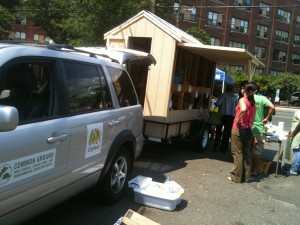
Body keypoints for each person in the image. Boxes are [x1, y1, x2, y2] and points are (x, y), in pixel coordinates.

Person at [228, 82, 256, 183]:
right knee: (247, 153)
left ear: (243, 90)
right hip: (248, 129)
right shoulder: (253, 103)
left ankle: (236, 177)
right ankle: (246, 177)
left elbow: (243, 109)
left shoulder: (242, 100)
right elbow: (252, 119)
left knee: (237, 153)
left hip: (238, 128)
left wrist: (239, 119)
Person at [252, 84, 275, 176]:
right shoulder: (261, 98)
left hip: (247, 127)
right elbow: (272, 107)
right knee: (257, 151)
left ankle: (245, 169)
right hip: (258, 128)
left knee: (245, 149)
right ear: (256, 90)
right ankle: (255, 170)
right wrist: (267, 118)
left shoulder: (245, 98)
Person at [214, 84, 238, 153]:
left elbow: (218, 104)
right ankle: (223, 148)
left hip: (222, 115)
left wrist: (215, 103)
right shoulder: (235, 97)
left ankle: (216, 146)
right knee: (226, 133)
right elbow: (236, 107)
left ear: (226, 88)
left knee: (218, 131)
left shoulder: (223, 95)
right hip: (231, 116)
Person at [287, 110, 300, 175]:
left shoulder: (298, 112)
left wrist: (293, 133)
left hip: (297, 135)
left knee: (297, 151)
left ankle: (293, 170)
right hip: (296, 133)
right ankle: (297, 168)